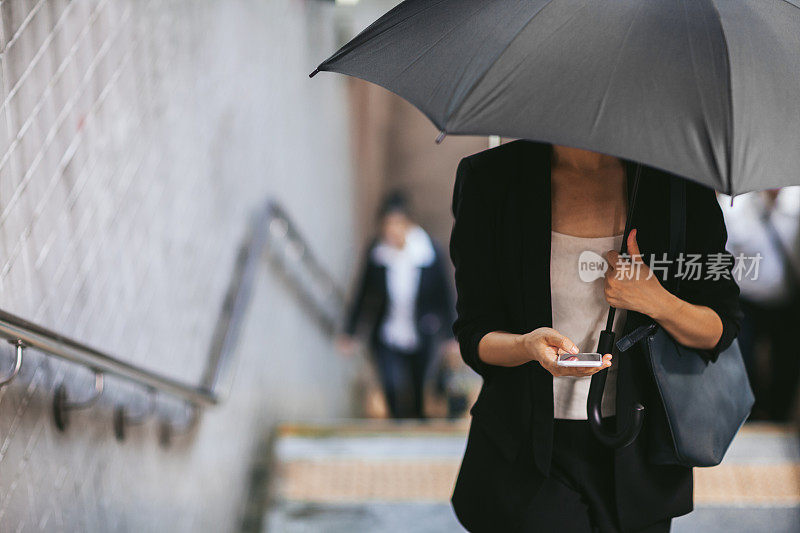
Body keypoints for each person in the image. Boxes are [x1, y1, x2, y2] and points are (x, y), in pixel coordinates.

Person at [449, 140, 741, 533]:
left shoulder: (678, 184)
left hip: (640, 453)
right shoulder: (493, 178)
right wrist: (526, 346)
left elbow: (720, 328)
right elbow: (474, 332)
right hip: (526, 453)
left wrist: (658, 301)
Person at [338, 191, 455, 419]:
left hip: (422, 331)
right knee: (391, 384)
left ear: (409, 223)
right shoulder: (377, 252)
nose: (391, 230)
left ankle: (417, 429)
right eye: (387, 224)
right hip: (387, 333)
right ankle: (397, 425)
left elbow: (444, 294)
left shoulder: (428, 252)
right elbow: (363, 294)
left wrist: (451, 336)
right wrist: (350, 332)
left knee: (418, 387)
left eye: (397, 224)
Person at [719, 188, 800, 421]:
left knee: (786, 362)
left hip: (787, 300)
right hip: (746, 301)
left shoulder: (795, 203)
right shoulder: (736, 204)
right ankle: (750, 414)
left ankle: (778, 416)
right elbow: (723, 254)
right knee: (742, 360)